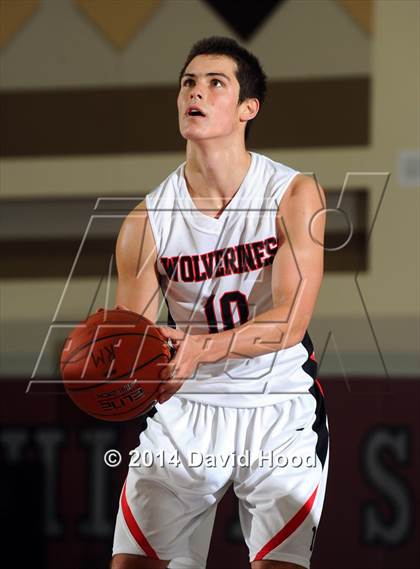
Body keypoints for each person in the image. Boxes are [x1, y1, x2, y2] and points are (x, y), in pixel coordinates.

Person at [111, 36, 329, 569]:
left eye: (216, 83)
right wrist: (123, 371)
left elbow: (288, 321)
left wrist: (200, 349)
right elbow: (135, 343)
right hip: (187, 409)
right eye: (188, 82)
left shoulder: (293, 194)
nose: (197, 92)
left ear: (247, 109)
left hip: (277, 405)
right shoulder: (147, 220)